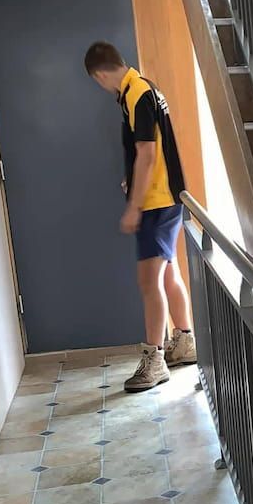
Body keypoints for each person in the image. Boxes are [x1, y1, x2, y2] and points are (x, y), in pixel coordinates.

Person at [84, 41, 196, 391]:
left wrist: (134, 204)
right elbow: (150, 151)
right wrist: (131, 180)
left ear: (101, 74)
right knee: (168, 273)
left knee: (149, 282)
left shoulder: (136, 93)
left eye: (98, 81)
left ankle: (155, 359)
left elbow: (147, 153)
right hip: (168, 195)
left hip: (156, 201)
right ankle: (185, 341)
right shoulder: (146, 88)